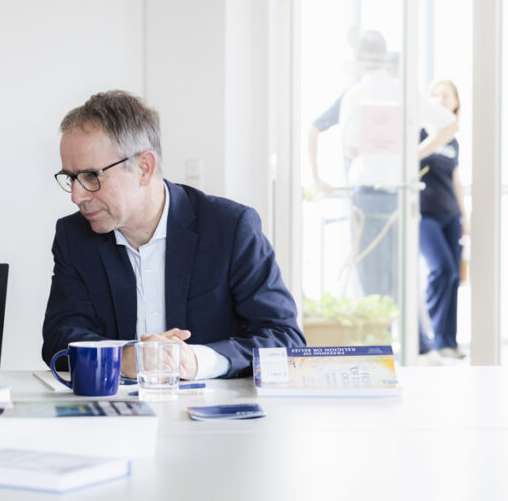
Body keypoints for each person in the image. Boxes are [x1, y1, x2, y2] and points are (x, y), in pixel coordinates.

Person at [42, 90, 304, 380]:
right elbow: (59, 339)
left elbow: (285, 341)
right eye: (71, 178)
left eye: (91, 176)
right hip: (115, 415)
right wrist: (126, 357)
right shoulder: (73, 236)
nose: (76, 196)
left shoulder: (229, 228)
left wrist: (196, 360)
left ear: (144, 167)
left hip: (214, 417)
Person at [308, 30, 456, 354]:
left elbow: (349, 146)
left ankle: (379, 352)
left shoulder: (356, 93)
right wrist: (412, 154)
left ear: (359, 59)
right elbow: (449, 125)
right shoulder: (404, 92)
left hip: (367, 196)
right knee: (401, 277)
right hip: (401, 195)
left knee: (371, 283)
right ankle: (410, 352)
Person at [420, 79, 468, 359]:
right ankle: (437, 339)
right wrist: (435, 140)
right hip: (424, 215)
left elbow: (456, 181)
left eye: (445, 95)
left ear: (455, 102)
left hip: (450, 215)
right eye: (434, 95)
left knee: (453, 277)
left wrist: (464, 217)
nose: (439, 99)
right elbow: (408, 161)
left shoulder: (455, 142)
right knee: (441, 270)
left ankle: (449, 342)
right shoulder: (420, 133)